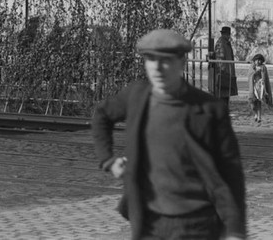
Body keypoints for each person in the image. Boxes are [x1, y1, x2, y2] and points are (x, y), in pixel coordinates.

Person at [92, 28, 247, 240]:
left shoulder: (210, 109)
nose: (157, 68)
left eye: (165, 60)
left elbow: (231, 172)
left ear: (181, 63)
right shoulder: (136, 96)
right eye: (150, 59)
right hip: (149, 223)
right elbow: (102, 115)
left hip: (197, 225)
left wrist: (235, 230)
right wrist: (108, 160)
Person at [209, 26, 237, 108]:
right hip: (224, 72)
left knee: (226, 93)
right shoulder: (221, 43)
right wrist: (223, 71)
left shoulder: (226, 42)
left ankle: (224, 109)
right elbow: (220, 59)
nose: (229, 36)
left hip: (227, 71)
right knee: (222, 93)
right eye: (228, 34)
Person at [248, 54, 273, 125]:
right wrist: (255, 72)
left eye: (260, 60)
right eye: (256, 60)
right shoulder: (252, 67)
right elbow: (250, 76)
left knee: (259, 102)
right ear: (254, 61)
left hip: (260, 87)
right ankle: (255, 113)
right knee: (252, 103)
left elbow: (265, 77)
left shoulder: (263, 67)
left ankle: (259, 117)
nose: (258, 62)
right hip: (253, 87)